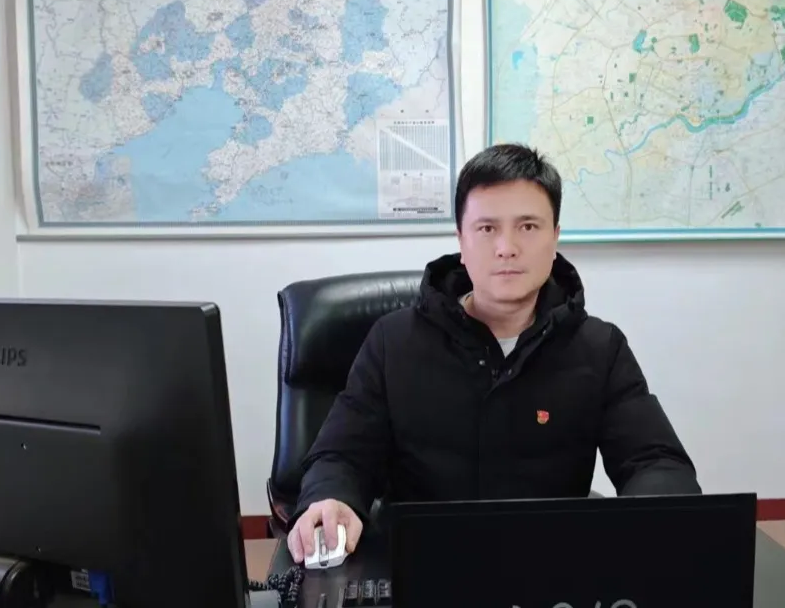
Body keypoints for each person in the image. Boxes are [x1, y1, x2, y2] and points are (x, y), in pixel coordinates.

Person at [287, 144, 700, 563]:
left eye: (528, 226)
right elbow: (342, 454)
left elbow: (654, 460)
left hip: (552, 566)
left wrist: (659, 516)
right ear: (461, 241)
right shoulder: (393, 342)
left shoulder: (598, 347)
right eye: (487, 228)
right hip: (421, 563)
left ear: (555, 236)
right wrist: (331, 497)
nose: (506, 247)